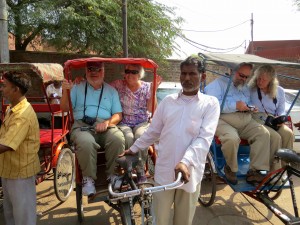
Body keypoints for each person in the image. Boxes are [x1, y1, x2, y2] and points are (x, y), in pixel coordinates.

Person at [122, 56, 220, 225]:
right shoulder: (168, 102)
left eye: (192, 74)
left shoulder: (210, 104)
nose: (187, 78)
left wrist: (185, 162)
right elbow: (153, 131)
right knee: (160, 219)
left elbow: (204, 139)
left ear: (203, 76)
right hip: (165, 171)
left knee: (183, 221)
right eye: (183, 74)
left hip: (189, 174)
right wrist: (134, 148)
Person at [60, 61, 125, 196]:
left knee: (118, 138)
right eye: (90, 69)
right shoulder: (77, 87)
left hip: (105, 125)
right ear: (86, 71)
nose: (94, 72)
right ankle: (88, 178)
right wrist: (65, 91)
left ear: (103, 71)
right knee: (86, 142)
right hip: (82, 125)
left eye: (98, 69)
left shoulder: (111, 90)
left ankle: (113, 175)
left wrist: (107, 123)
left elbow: (118, 115)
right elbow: (64, 108)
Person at [205, 63, 271, 185]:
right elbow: (211, 107)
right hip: (222, 120)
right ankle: (231, 168)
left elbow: (247, 101)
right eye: (241, 75)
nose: (244, 79)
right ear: (231, 71)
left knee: (263, 134)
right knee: (232, 138)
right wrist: (234, 105)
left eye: (247, 77)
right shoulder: (217, 85)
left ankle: (256, 171)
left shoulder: (244, 87)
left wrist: (250, 107)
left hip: (244, 119)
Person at [0, 71, 40, 225]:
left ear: (16, 89)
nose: (2, 89)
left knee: (23, 218)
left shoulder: (22, 114)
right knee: (10, 215)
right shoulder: (13, 108)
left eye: (5, 86)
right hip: (9, 169)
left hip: (20, 174)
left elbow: (6, 145)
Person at [110, 64, 162, 182]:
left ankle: (140, 170)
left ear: (139, 75)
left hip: (142, 121)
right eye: (127, 71)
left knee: (140, 136)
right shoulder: (118, 84)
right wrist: (82, 80)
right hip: (124, 121)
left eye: (133, 72)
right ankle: (128, 169)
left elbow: (151, 109)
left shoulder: (147, 87)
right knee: (128, 137)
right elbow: (101, 86)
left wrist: (153, 91)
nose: (129, 75)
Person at [248, 65, 294, 169]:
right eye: (258, 78)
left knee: (288, 134)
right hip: (256, 117)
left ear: (271, 81)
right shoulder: (251, 89)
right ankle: (273, 169)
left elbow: (282, 109)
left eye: (264, 80)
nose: (260, 82)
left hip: (273, 118)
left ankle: (285, 167)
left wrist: (281, 118)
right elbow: (247, 104)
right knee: (275, 137)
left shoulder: (280, 91)